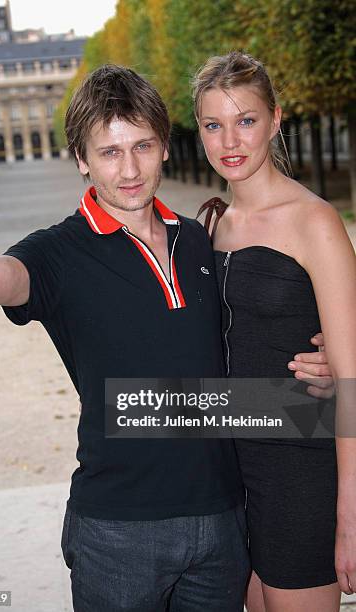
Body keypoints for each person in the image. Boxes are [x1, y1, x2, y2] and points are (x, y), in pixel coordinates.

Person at [0, 64, 332, 612]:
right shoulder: (58, 251)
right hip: (118, 532)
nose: (128, 170)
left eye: (143, 146)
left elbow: (250, 341)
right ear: (81, 159)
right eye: (109, 151)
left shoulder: (201, 239)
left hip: (222, 525)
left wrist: (326, 368)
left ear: (165, 148)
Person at [193, 51, 356, 612]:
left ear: (276, 119)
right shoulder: (210, 225)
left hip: (299, 472)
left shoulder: (315, 221)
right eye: (214, 124)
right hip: (230, 476)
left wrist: (351, 515)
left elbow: (352, 382)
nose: (229, 140)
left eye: (246, 120)